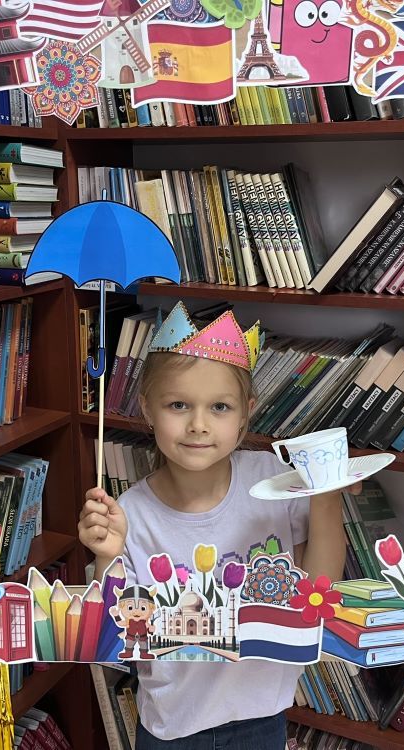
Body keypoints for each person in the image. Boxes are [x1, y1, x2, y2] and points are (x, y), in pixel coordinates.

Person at [78, 302, 349, 748]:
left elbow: (320, 589)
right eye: (178, 405)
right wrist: (106, 557)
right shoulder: (130, 514)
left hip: (263, 714)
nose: (199, 425)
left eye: (220, 407)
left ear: (246, 413)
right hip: (172, 727)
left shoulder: (273, 480)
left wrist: (326, 497)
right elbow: (117, 633)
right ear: (147, 408)